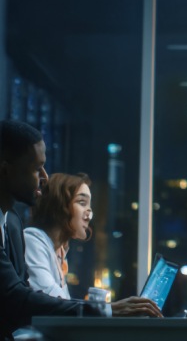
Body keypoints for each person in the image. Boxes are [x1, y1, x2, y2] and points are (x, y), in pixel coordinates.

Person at [0, 120, 161, 340]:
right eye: (36, 169)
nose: (44, 178)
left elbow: (28, 299)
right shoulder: (32, 238)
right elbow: (17, 300)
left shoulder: (12, 224)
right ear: (5, 169)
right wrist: (108, 310)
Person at [24, 172, 94, 299]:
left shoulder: (59, 251)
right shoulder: (33, 240)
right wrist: (108, 310)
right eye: (82, 202)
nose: (90, 214)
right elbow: (52, 299)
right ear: (60, 205)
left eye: (90, 205)